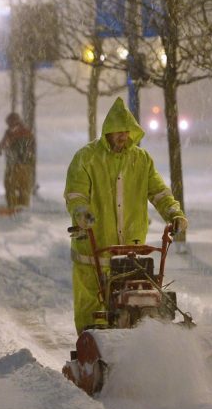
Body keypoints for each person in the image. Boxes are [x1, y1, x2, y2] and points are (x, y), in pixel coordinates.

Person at [64, 97, 188, 334]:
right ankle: (91, 351)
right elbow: (76, 194)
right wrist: (82, 214)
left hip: (130, 252)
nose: (123, 136)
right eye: (118, 131)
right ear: (107, 132)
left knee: (138, 303)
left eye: (127, 132)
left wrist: (175, 215)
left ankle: (142, 339)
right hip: (94, 250)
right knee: (93, 310)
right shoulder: (87, 158)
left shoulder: (141, 160)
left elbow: (159, 193)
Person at [0, 112, 36, 212]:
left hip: (14, 166)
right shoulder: (28, 132)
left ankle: (12, 209)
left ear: (11, 122)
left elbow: (4, 144)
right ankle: (23, 210)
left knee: (10, 188)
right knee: (24, 190)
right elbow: (32, 148)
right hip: (27, 167)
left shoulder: (10, 132)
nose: (8, 125)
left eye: (8, 122)